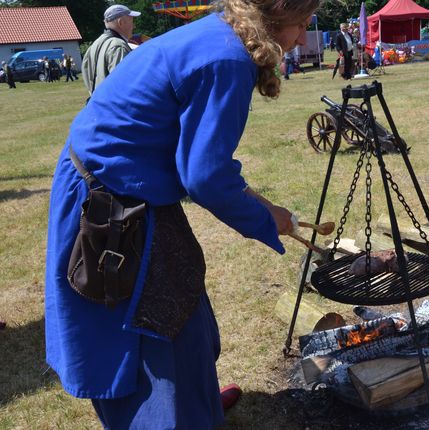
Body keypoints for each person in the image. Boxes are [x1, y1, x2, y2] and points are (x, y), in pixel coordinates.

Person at [44, 0, 319, 428]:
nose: (302, 38)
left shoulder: (223, 34)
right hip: (110, 201)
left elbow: (203, 161)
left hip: (134, 189)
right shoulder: (226, 60)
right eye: (301, 24)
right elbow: (205, 177)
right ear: (275, 16)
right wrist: (266, 222)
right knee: (154, 331)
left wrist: (268, 208)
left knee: (186, 308)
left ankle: (198, 400)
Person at [82, 4, 141, 95]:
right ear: (121, 22)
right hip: (115, 106)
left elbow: (87, 76)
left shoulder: (95, 44)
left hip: (99, 103)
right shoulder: (118, 46)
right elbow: (123, 85)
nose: (134, 26)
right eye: (131, 21)